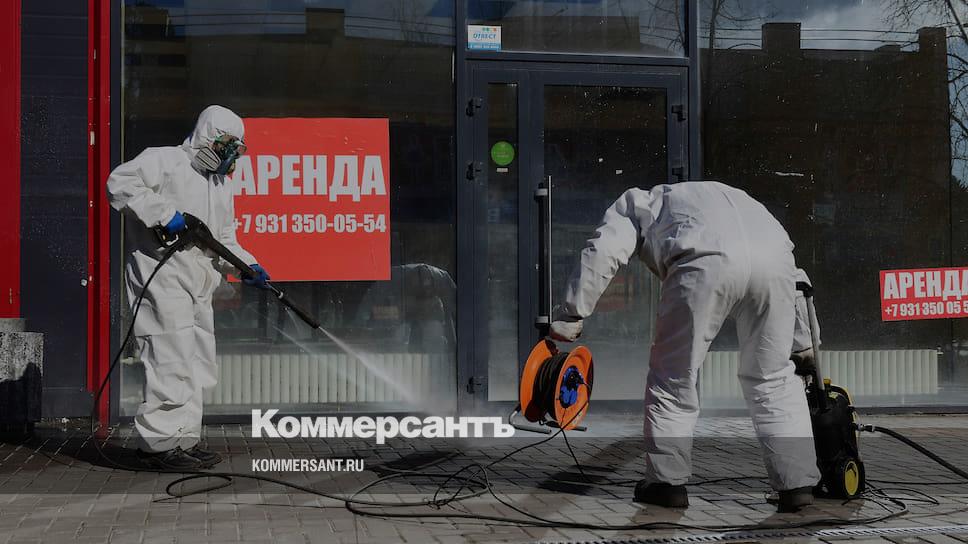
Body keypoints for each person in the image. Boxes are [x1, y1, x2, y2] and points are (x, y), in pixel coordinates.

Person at [549, 181, 820, 513]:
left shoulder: (636, 205)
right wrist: (805, 343)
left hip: (704, 259)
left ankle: (666, 484)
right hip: (774, 262)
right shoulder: (740, 201)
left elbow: (603, 250)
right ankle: (797, 486)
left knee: (674, 377)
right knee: (773, 379)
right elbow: (795, 279)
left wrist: (571, 312)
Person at [106, 105, 271, 470]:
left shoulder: (219, 186)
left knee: (194, 363)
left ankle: (183, 439)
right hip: (161, 279)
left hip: (198, 285)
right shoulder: (166, 161)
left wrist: (246, 265)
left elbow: (223, 239)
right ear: (207, 137)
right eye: (227, 146)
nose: (230, 157)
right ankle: (158, 447)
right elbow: (119, 183)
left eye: (236, 150)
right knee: (169, 361)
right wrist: (165, 214)